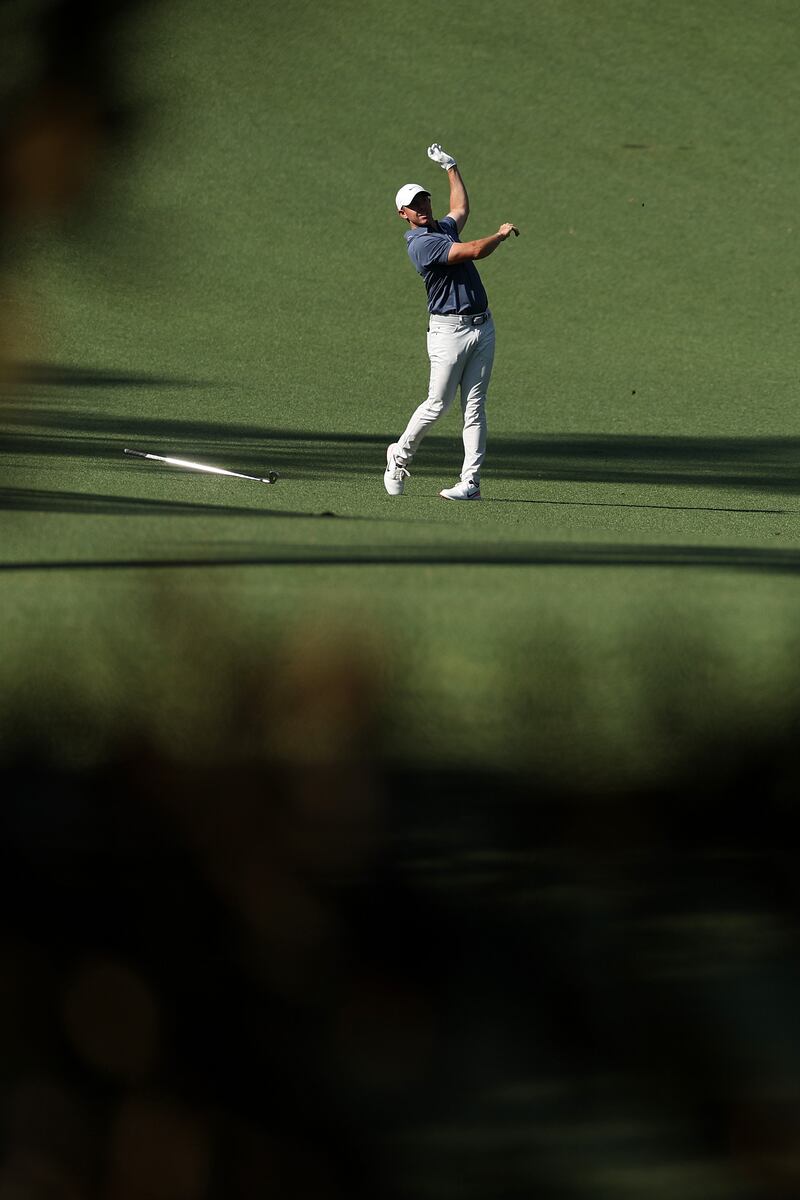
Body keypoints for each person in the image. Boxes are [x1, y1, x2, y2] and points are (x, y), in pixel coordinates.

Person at [385, 143, 519, 500]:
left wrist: (451, 166)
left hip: (482, 327)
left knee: (475, 406)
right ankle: (399, 455)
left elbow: (459, 207)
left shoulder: (443, 229)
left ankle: (470, 482)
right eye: (415, 205)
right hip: (448, 332)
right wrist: (500, 235)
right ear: (404, 214)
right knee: (437, 404)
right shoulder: (421, 245)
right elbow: (474, 250)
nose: (423, 207)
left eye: (425, 201)